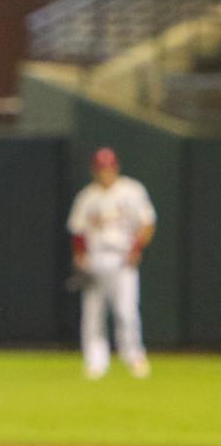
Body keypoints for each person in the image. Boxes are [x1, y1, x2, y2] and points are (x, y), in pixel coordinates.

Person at [67, 147, 156, 380]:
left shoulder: (132, 191)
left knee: (126, 311)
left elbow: (147, 223)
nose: (105, 172)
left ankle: (134, 356)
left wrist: (136, 249)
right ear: (94, 170)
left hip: (122, 258)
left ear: (115, 167)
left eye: (108, 167)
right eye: (100, 168)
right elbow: (77, 231)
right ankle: (95, 362)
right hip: (96, 258)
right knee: (93, 314)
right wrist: (80, 256)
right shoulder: (87, 196)